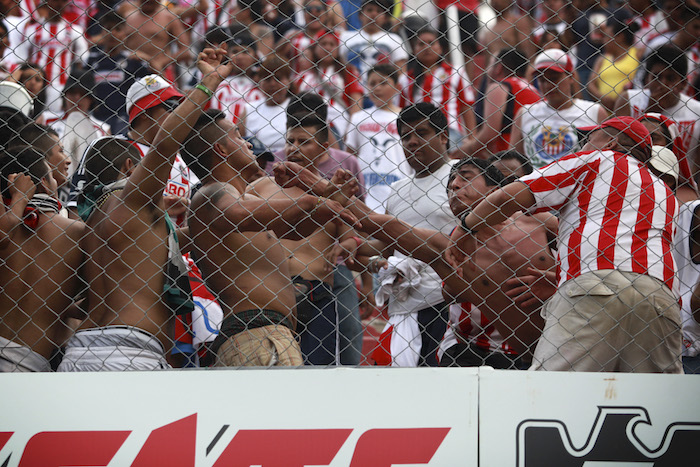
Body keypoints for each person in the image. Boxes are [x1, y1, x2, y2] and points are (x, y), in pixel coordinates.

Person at [450, 116, 683, 373]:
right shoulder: (663, 190)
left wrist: (464, 229)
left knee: (550, 391)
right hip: (659, 297)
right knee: (655, 396)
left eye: (590, 137)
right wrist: (561, 276)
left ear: (611, 141)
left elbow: (506, 198)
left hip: (595, 287)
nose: (583, 143)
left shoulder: (597, 159)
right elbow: (628, 248)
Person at [57, 47, 232, 372]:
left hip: (165, 273)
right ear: (145, 113)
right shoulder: (115, 148)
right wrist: (208, 84)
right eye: (171, 107)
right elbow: (83, 211)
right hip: (127, 313)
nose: (180, 113)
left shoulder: (181, 161)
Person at [183, 109, 359, 367]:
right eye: (237, 136)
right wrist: (316, 200)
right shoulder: (212, 193)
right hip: (257, 335)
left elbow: (293, 230)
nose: (247, 142)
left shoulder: (249, 199)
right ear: (221, 150)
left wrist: (332, 199)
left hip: (269, 332)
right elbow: (237, 213)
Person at [0, 146, 85, 371]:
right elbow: (98, 302)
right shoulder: (77, 233)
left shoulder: (5, 229)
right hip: (29, 363)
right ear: (46, 184)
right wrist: (55, 301)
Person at [615, 45, 700, 201]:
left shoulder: (696, 112)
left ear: (683, 83)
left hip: (679, 185)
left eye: (670, 78)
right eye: (656, 77)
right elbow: (618, 145)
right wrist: (651, 109)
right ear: (647, 80)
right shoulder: (630, 100)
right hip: (632, 178)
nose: (663, 84)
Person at [510, 48, 606, 168]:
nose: (548, 85)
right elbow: (514, 161)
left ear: (571, 77)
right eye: (542, 80)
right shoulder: (525, 113)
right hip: (536, 183)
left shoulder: (594, 111)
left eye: (554, 78)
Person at [345, 64, 410, 214]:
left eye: (383, 83)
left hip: (399, 187)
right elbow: (350, 155)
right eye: (372, 84)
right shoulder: (358, 118)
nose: (377, 88)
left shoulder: (406, 118)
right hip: (364, 188)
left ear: (397, 87)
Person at [458, 47, 540, 159]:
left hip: (511, 157)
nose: (487, 69)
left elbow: (490, 134)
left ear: (498, 68)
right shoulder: (530, 87)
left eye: (490, 64)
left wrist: (465, 149)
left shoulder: (499, 87)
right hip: (534, 150)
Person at [400, 27, 476, 148]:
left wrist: (472, 139)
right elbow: (401, 108)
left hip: (449, 131)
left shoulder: (456, 72)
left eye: (431, 43)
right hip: (416, 132)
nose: (427, 47)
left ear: (440, 48)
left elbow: (466, 107)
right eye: (421, 44)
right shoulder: (406, 78)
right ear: (414, 50)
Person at [9, 0, 88, 113]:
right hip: (36, 86)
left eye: (63, 1)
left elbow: (80, 61)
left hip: (61, 87)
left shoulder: (75, 31)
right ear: (47, 3)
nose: (59, 4)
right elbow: (22, 59)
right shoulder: (32, 30)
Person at [84, 11, 152, 135]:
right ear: (102, 32)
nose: (113, 33)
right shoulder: (91, 60)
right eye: (109, 29)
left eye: (118, 29)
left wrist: (149, 59)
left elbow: (152, 83)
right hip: (96, 117)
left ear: (124, 34)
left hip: (123, 118)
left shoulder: (132, 61)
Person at [340, 0, 408, 85]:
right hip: (351, 89)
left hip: (383, 91)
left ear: (385, 18)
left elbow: (400, 71)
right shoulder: (345, 37)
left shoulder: (394, 39)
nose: (374, 14)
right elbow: (339, 65)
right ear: (360, 15)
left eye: (379, 11)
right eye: (369, 10)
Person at [120, 0, 192, 77]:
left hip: (159, 71)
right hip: (129, 70)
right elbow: (119, 44)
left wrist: (160, 62)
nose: (148, 1)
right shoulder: (128, 17)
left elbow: (185, 50)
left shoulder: (169, 18)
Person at [586, 10, 640, 113]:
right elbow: (591, 84)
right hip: (604, 109)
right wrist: (602, 98)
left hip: (628, 108)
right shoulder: (602, 59)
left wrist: (621, 99)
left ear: (619, 37)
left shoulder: (636, 54)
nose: (603, 41)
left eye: (606, 37)